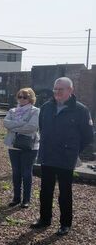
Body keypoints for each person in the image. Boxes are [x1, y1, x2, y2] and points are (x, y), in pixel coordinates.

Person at [31, 77, 93, 236]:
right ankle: (45, 219)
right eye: (55, 89)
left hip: (66, 157)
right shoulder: (46, 107)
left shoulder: (81, 110)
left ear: (70, 90)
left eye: (61, 89)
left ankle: (65, 223)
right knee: (46, 189)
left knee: (65, 191)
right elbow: (42, 127)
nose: (57, 92)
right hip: (48, 155)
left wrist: (74, 150)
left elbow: (87, 136)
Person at [3, 88, 40, 208]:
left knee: (26, 172)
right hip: (14, 145)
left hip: (29, 146)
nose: (22, 99)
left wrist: (13, 128)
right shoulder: (12, 110)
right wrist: (22, 124)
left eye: (25, 97)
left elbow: (32, 127)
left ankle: (26, 199)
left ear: (31, 98)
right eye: (20, 96)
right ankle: (16, 197)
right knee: (16, 172)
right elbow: (5, 123)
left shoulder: (35, 111)